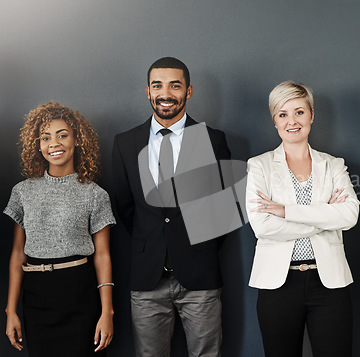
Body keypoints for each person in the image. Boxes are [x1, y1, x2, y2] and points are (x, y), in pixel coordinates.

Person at [112, 57, 231, 357]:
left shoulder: (213, 140)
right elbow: (125, 207)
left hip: (200, 276)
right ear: (148, 92)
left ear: (188, 91)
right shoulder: (125, 143)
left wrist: (197, 248)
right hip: (146, 277)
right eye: (157, 85)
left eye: (174, 85)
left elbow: (223, 211)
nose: (165, 93)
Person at [245, 81, 360, 357]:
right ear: (274, 120)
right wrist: (324, 217)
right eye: (283, 114)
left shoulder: (333, 165)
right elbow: (262, 226)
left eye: (299, 112)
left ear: (311, 115)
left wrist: (286, 211)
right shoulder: (259, 165)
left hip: (329, 282)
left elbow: (349, 214)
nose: (292, 121)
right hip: (278, 284)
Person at [4, 101, 115, 357]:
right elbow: (18, 255)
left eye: (62, 135)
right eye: (45, 137)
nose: (54, 143)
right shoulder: (22, 192)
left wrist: (106, 312)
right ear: (38, 144)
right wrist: (11, 310)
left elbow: (102, 256)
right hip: (37, 297)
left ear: (77, 140)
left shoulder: (95, 194)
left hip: (80, 294)